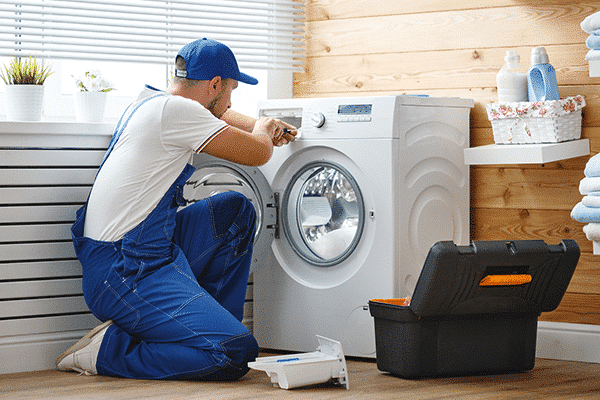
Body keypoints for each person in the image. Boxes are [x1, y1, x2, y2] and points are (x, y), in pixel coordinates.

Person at [55, 38, 297, 381]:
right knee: (235, 353)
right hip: (125, 273)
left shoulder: (153, 102)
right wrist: (263, 131)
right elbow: (259, 153)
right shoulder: (180, 113)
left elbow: (221, 114)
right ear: (214, 84)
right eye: (231, 90)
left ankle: (211, 326)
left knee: (235, 211)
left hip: (144, 252)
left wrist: (263, 124)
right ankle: (106, 352)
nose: (231, 101)